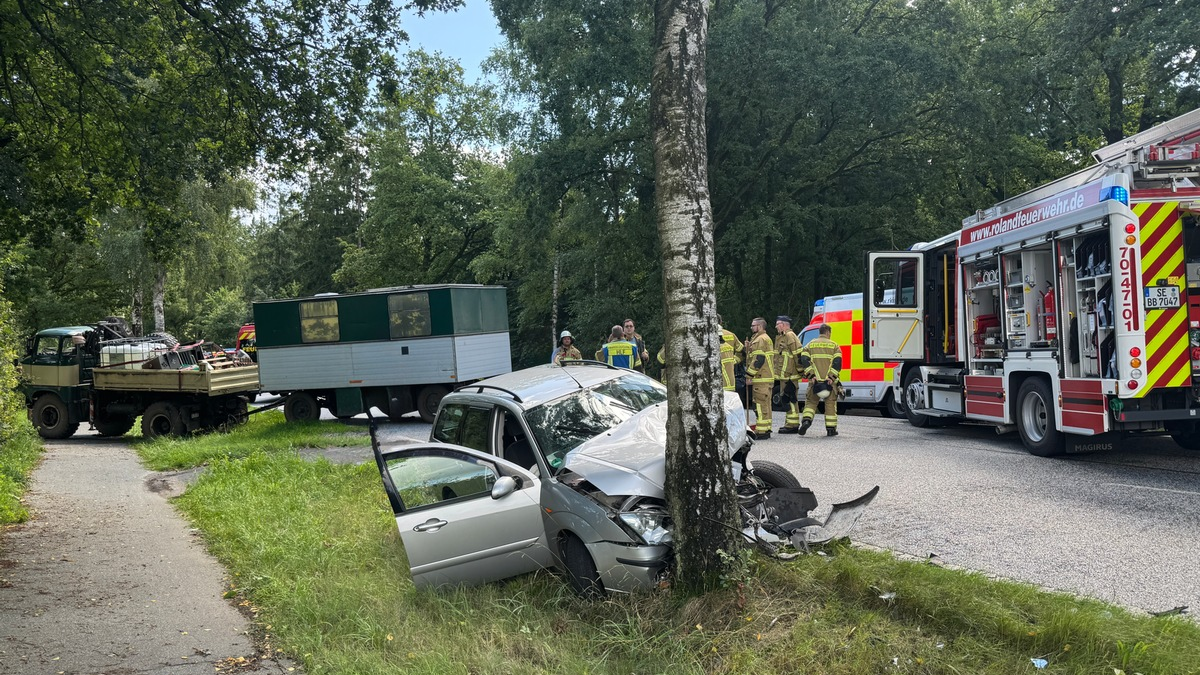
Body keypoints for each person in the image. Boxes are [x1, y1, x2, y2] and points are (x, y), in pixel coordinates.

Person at [799, 323, 843, 437]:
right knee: (830, 405)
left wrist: (811, 375)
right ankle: (831, 429)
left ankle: (806, 421)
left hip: (814, 382)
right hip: (829, 383)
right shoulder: (834, 346)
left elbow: (803, 359)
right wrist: (831, 377)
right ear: (828, 332)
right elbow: (837, 363)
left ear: (820, 332)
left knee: (811, 403)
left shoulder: (810, 345)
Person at [743, 317, 776, 439]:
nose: (751, 328)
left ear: (760, 327)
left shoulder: (760, 340)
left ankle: (761, 431)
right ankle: (766, 428)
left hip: (761, 377)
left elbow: (758, 360)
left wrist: (749, 375)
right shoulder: (764, 338)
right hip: (767, 377)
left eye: (753, 326)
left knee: (760, 404)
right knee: (766, 404)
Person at [773, 315, 803, 433]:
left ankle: (793, 425)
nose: (776, 327)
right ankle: (790, 423)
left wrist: (800, 371)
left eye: (777, 324)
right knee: (786, 399)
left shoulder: (790, 336)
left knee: (790, 398)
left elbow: (798, 355)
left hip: (790, 375)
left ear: (784, 325)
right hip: (784, 375)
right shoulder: (782, 337)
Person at [718, 314, 743, 394]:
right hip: (730, 379)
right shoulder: (731, 335)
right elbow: (742, 352)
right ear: (721, 322)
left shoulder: (706, 336)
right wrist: (734, 360)